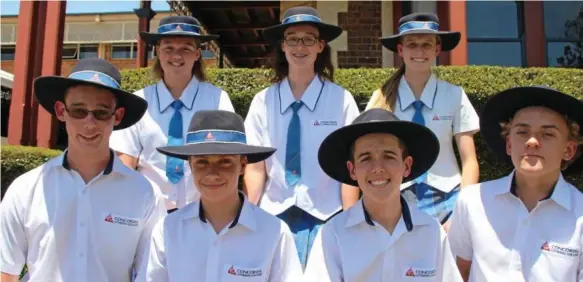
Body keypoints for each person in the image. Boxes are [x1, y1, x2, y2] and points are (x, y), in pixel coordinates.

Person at [0, 58, 167, 282]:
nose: (90, 123)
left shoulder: (146, 194)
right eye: (79, 111)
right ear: (61, 111)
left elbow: (151, 276)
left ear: (117, 117)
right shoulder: (26, 189)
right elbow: (6, 272)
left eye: (101, 113)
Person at [243, 6, 361, 268]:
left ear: (320, 46)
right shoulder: (263, 101)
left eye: (308, 38)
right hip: (273, 215)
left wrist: (350, 219)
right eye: (292, 39)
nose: (300, 46)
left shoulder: (341, 100)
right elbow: (255, 166)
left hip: (327, 216)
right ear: (283, 46)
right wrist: (248, 213)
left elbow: (350, 165)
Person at [135, 110, 303, 282]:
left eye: (225, 162)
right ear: (191, 166)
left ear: (243, 165)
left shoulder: (274, 231)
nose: (212, 173)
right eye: (202, 162)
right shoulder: (168, 229)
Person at [303, 108, 463, 281]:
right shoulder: (334, 235)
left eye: (389, 156)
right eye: (365, 158)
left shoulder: (431, 231)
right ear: (352, 170)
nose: (378, 167)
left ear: (406, 166)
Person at [448, 86, 583, 281]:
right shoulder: (473, 201)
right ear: (509, 144)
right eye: (522, 132)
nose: (532, 141)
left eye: (547, 134)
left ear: (569, 150)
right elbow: (457, 272)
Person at [366, 13, 480, 228]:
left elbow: (470, 160)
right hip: (395, 198)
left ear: (437, 49)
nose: (419, 51)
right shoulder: (380, 98)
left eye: (427, 45)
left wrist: (461, 213)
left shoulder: (454, 95)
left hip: (448, 200)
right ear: (400, 50)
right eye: (412, 45)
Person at [110, 15, 235, 213]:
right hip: (148, 212)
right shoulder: (138, 102)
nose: (176, 56)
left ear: (197, 54)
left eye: (186, 48)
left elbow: (228, 160)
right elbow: (125, 162)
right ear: (158, 52)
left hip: (204, 212)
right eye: (168, 48)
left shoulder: (217, 100)